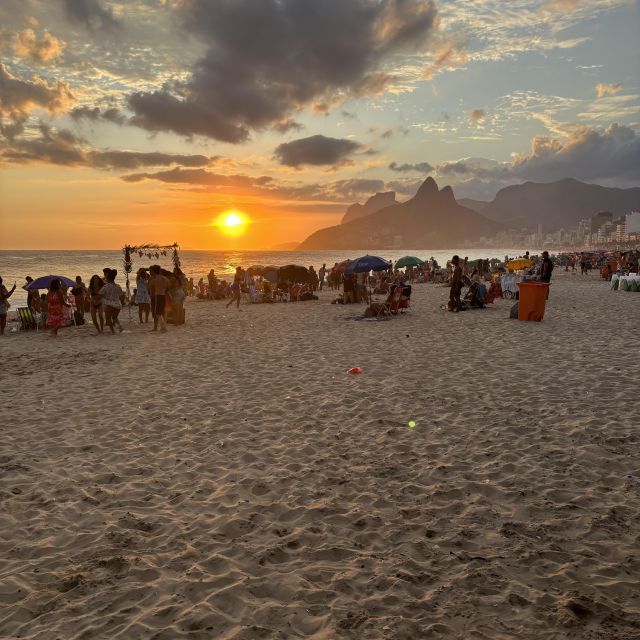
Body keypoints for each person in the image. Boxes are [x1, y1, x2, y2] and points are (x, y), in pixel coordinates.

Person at [99, 269, 124, 334]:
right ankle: (120, 327)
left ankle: (113, 331)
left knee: (108, 319)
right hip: (118, 305)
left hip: (109, 305)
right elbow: (121, 295)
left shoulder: (105, 287)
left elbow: (100, 294)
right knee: (115, 318)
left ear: (108, 278)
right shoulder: (118, 286)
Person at [148, 264, 169, 332]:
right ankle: (163, 327)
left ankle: (163, 328)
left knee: (157, 313)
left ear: (154, 271)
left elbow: (149, 287)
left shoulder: (155, 279)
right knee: (162, 311)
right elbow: (168, 286)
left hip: (158, 296)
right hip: (163, 295)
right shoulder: (165, 278)